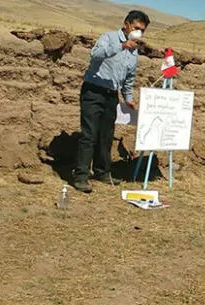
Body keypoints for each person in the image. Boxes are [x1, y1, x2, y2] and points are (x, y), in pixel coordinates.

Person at [72, 10, 150, 193]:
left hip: (111, 95)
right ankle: (81, 176)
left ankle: (102, 172)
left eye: (142, 30)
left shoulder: (134, 52)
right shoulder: (108, 37)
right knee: (89, 134)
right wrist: (122, 45)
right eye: (136, 28)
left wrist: (128, 99)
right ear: (127, 24)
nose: (138, 32)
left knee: (106, 135)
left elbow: (129, 78)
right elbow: (96, 54)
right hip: (93, 90)